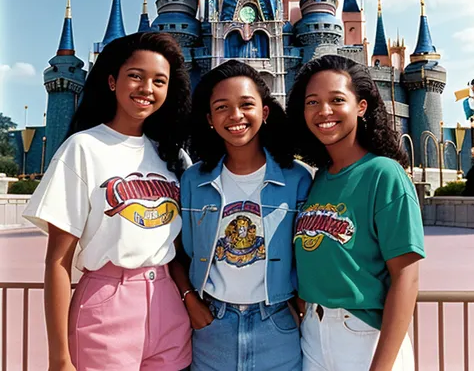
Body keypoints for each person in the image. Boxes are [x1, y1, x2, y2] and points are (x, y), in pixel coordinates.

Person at [24, 32, 193, 371]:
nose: (147, 88)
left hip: (169, 304)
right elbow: (58, 261)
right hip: (106, 304)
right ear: (113, 81)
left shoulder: (173, 157)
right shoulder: (83, 148)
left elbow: (179, 246)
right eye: (136, 76)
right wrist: (59, 358)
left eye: (159, 81)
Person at [286, 54, 425, 371]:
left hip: (364, 337)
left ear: (361, 106)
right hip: (313, 334)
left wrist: (382, 367)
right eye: (312, 102)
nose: (323, 111)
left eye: (337, 100)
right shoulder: (318, 178)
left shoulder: (384, 174)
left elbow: (406, 276)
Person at [178, 60, 312, 371]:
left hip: (277, 326)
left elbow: (308, 252)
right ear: (210, 118)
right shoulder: (194, 180)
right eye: (222, 107)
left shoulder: (297, 179)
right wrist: (191, 302)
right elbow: (178, 251)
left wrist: (298, 304)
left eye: (246, 104)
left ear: (264, 112)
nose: (235, 116)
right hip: (212, 327)